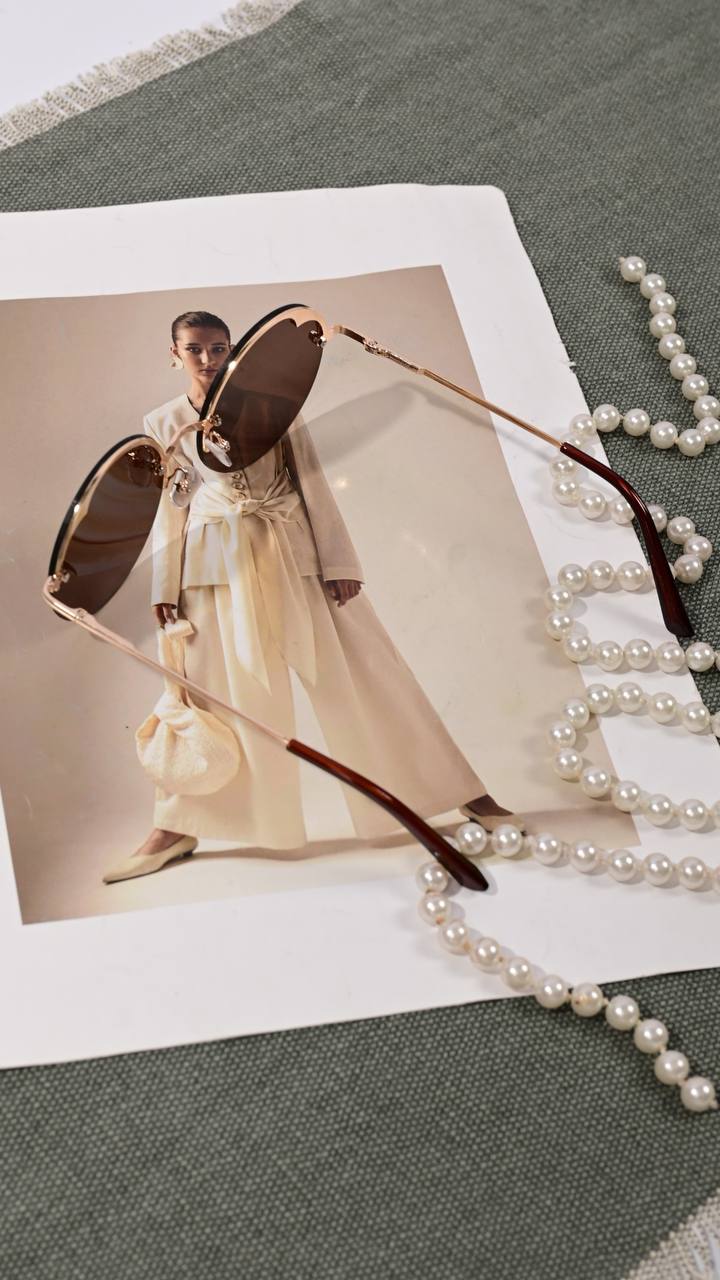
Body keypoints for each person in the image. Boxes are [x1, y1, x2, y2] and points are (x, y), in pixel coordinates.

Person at [102, 310, 518, 883]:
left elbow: (313, 480)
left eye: (218, 347)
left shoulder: (275, 404)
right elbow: (171, 504)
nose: (207, 359)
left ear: (232, 351)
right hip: (212, 563)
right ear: (174, 355)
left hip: (292, 548)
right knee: (209, 692)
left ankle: (463, 792)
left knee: (370, 673)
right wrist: (165, 584)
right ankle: (177, 825)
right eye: (194, 348)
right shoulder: (163, 421)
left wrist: (338, 560)